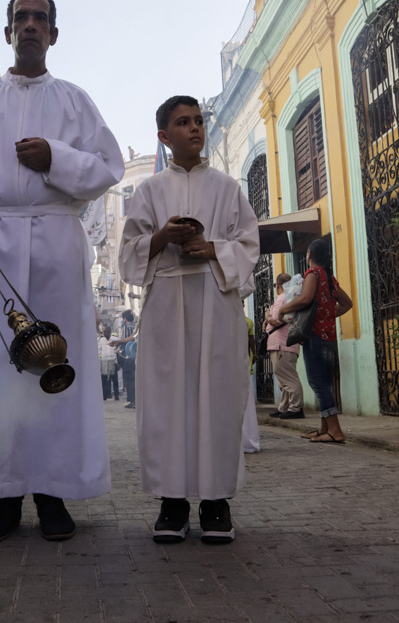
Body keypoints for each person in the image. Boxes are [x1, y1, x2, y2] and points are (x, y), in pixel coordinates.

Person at [0, 0, 124, 542]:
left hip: (56, 244)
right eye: (22, 17)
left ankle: (53, 492)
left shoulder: (74, 101)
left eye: (41, 18)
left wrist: (55, 159)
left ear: (55, 34)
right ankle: (2, 495)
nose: (31, 25)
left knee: (55, 367)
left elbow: (108, 165)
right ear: (9, 31)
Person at [118, 95, 262, 545]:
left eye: (199, 120)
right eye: (183, 122)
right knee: (167, 401)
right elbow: (127, 255)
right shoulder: (148, 191)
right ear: (164, 135)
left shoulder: (226, 187)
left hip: (215, 302)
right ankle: (172, 502)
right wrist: (162, 237)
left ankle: (216, 503)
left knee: (217, 397)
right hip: (165, 305)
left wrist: (212, 248)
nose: (195, 128)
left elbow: (250, 244)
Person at [279, 239, 353, 444]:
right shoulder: (328, 277)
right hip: (328, 335)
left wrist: (282, 309)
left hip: (316, 336)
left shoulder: (313, 273)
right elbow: (347, 304)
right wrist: (327, 315)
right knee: (324, 382)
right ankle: (325, 429)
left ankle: (336, 431)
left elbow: (305, 299)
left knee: (317, 383)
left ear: (309, 254)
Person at [265, 272, 303, 419]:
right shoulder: (293, 298)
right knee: (285, 378)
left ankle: (295, 407)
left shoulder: (282, 299)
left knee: (288, 379)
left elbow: (276, 321)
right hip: (289, 344)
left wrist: (267, 316)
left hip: (281, 344)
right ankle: (284, 407)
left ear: (278, 286)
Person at [241, 303, 261, 454]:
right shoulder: (247, 321)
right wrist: (253, 354)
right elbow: (251, 341)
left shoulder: (247, 321)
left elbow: (251, 340)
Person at [112, 309, 138, 408]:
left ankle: (132, 401)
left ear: (125, 318)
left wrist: (118, 343)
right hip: (135, 356)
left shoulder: (126, 328)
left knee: (128, 379)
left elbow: (127, 340)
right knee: (134, 378)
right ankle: (134, 400)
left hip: (127, 357)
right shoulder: (135, 327)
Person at [98, 326, 120, 401]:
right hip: (104, 361)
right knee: (104, 380)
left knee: (115, 380)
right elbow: (99, 350)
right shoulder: (101, 340)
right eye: (105, 332)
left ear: (110, 332)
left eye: (108, 332)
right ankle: (104, 396)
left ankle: (116, 395)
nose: (106, 333)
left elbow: (119, 348)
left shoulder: (115, 339)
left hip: (113, 361)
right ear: (103, 332)